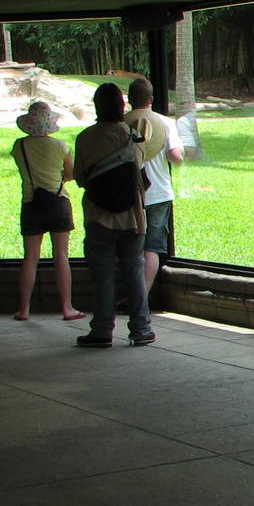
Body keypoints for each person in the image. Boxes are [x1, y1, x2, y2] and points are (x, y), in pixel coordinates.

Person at [72, 82, 153, 348]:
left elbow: (81, 178)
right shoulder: (132, 135)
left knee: (103, 275)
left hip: (98, 215)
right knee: (134, 272)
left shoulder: (85, 138)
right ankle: (141, 329)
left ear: (97, 107)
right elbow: (139, 174)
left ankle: (102, 330)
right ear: (122, 106)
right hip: (132, 216)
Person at [10, 100, 85, 323]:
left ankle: (24, 309)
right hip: (58, 202)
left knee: (30, 257)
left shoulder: (19, 146)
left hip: (31, 202)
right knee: (61, 256)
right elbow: (71, 174)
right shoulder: (61, 146)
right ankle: (67, 308)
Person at [123, 76, 184, 295]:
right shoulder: (165, 123)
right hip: (158, 193)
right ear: (151, 99)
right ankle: (142, 297)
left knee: (132, 247)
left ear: (130, 99)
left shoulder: (122, 122)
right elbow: (176, 156)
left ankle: (130, 293)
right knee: (152, 248)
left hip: (128, 194)